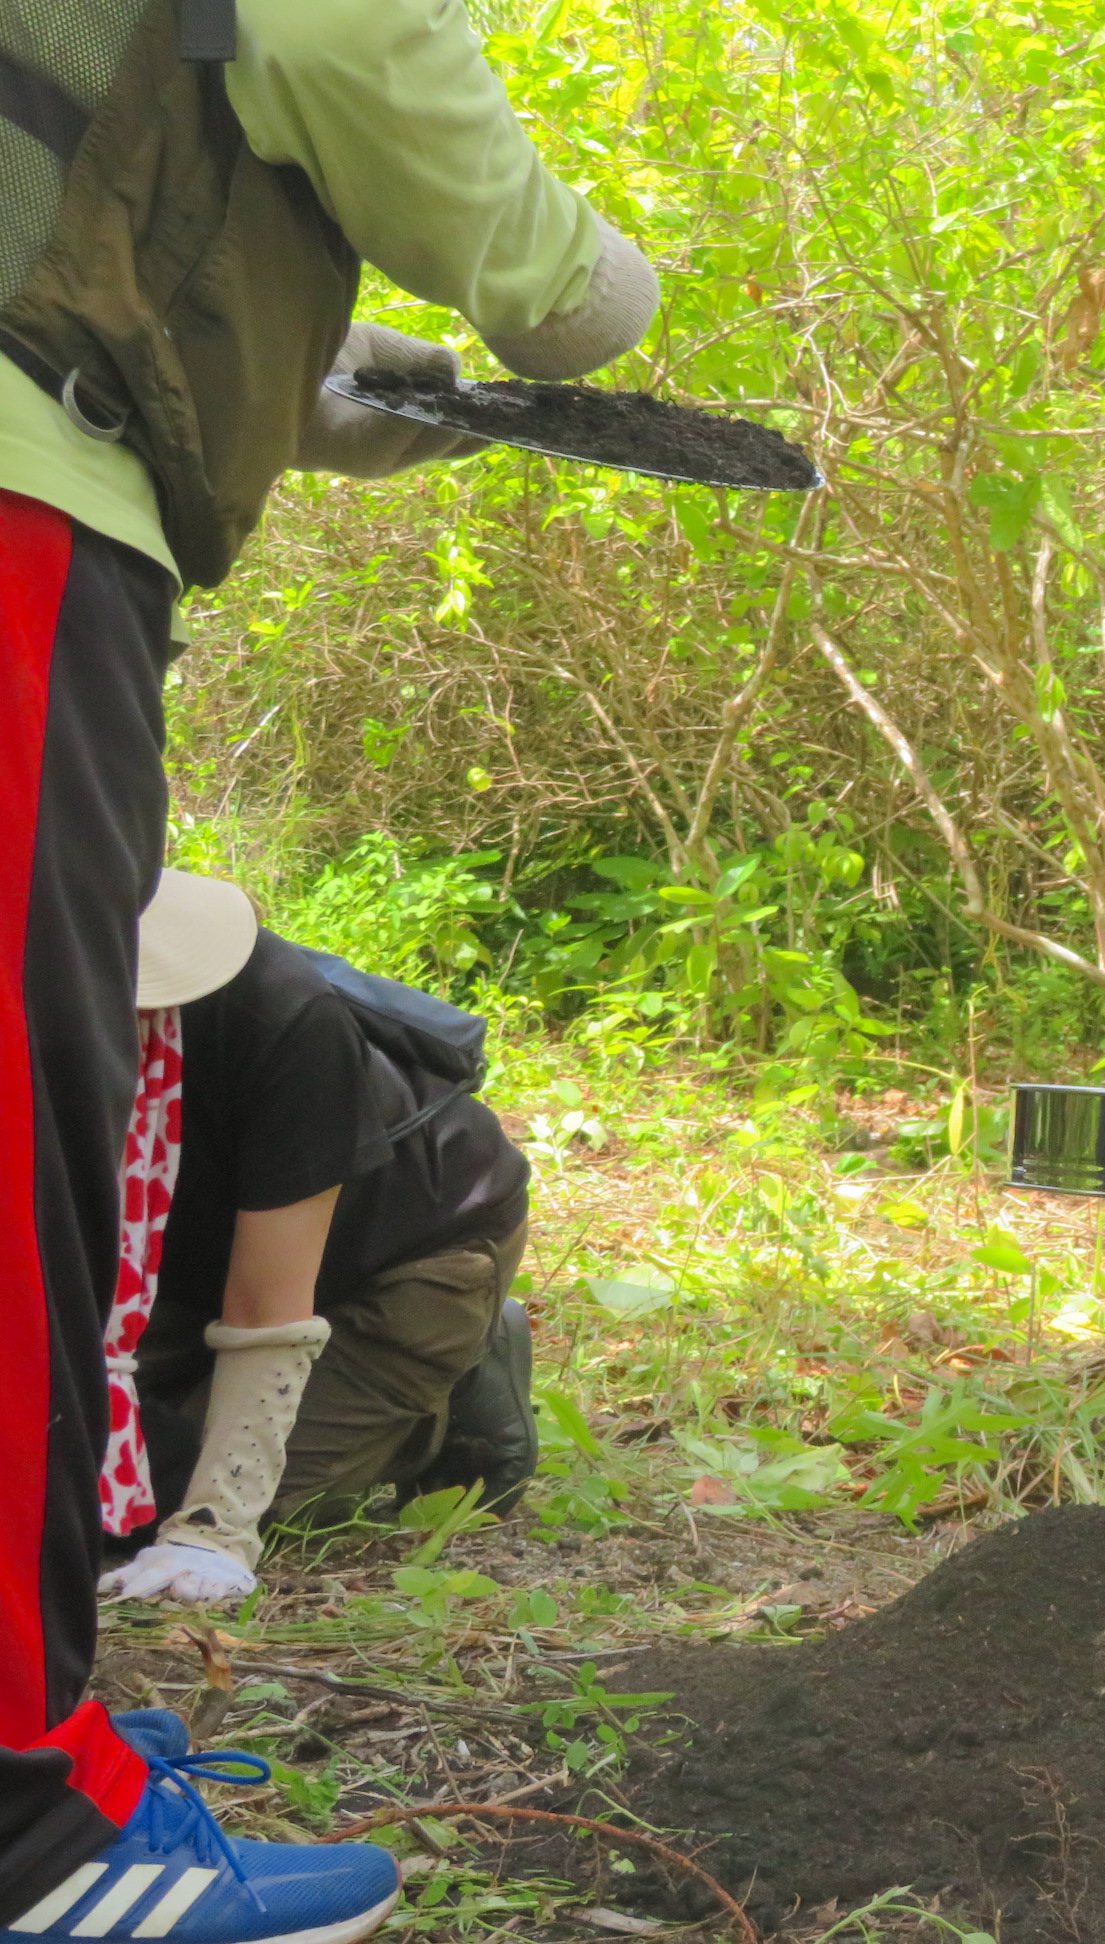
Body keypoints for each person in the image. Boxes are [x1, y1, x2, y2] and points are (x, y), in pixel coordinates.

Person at [0, 1, 654, 1932]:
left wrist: (290, 364)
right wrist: (585, 288)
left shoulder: (272, 1030)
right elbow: (352, 39)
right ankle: (27, 1823)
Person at [96, 874, 534, 1607]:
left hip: (402, 1262)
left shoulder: (283, 1018)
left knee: (153, 1509)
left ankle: (437, 1408)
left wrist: (214, 1529)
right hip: (187, 1257)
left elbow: (267, 1305)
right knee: (61, 1461)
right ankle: (189, 1386)